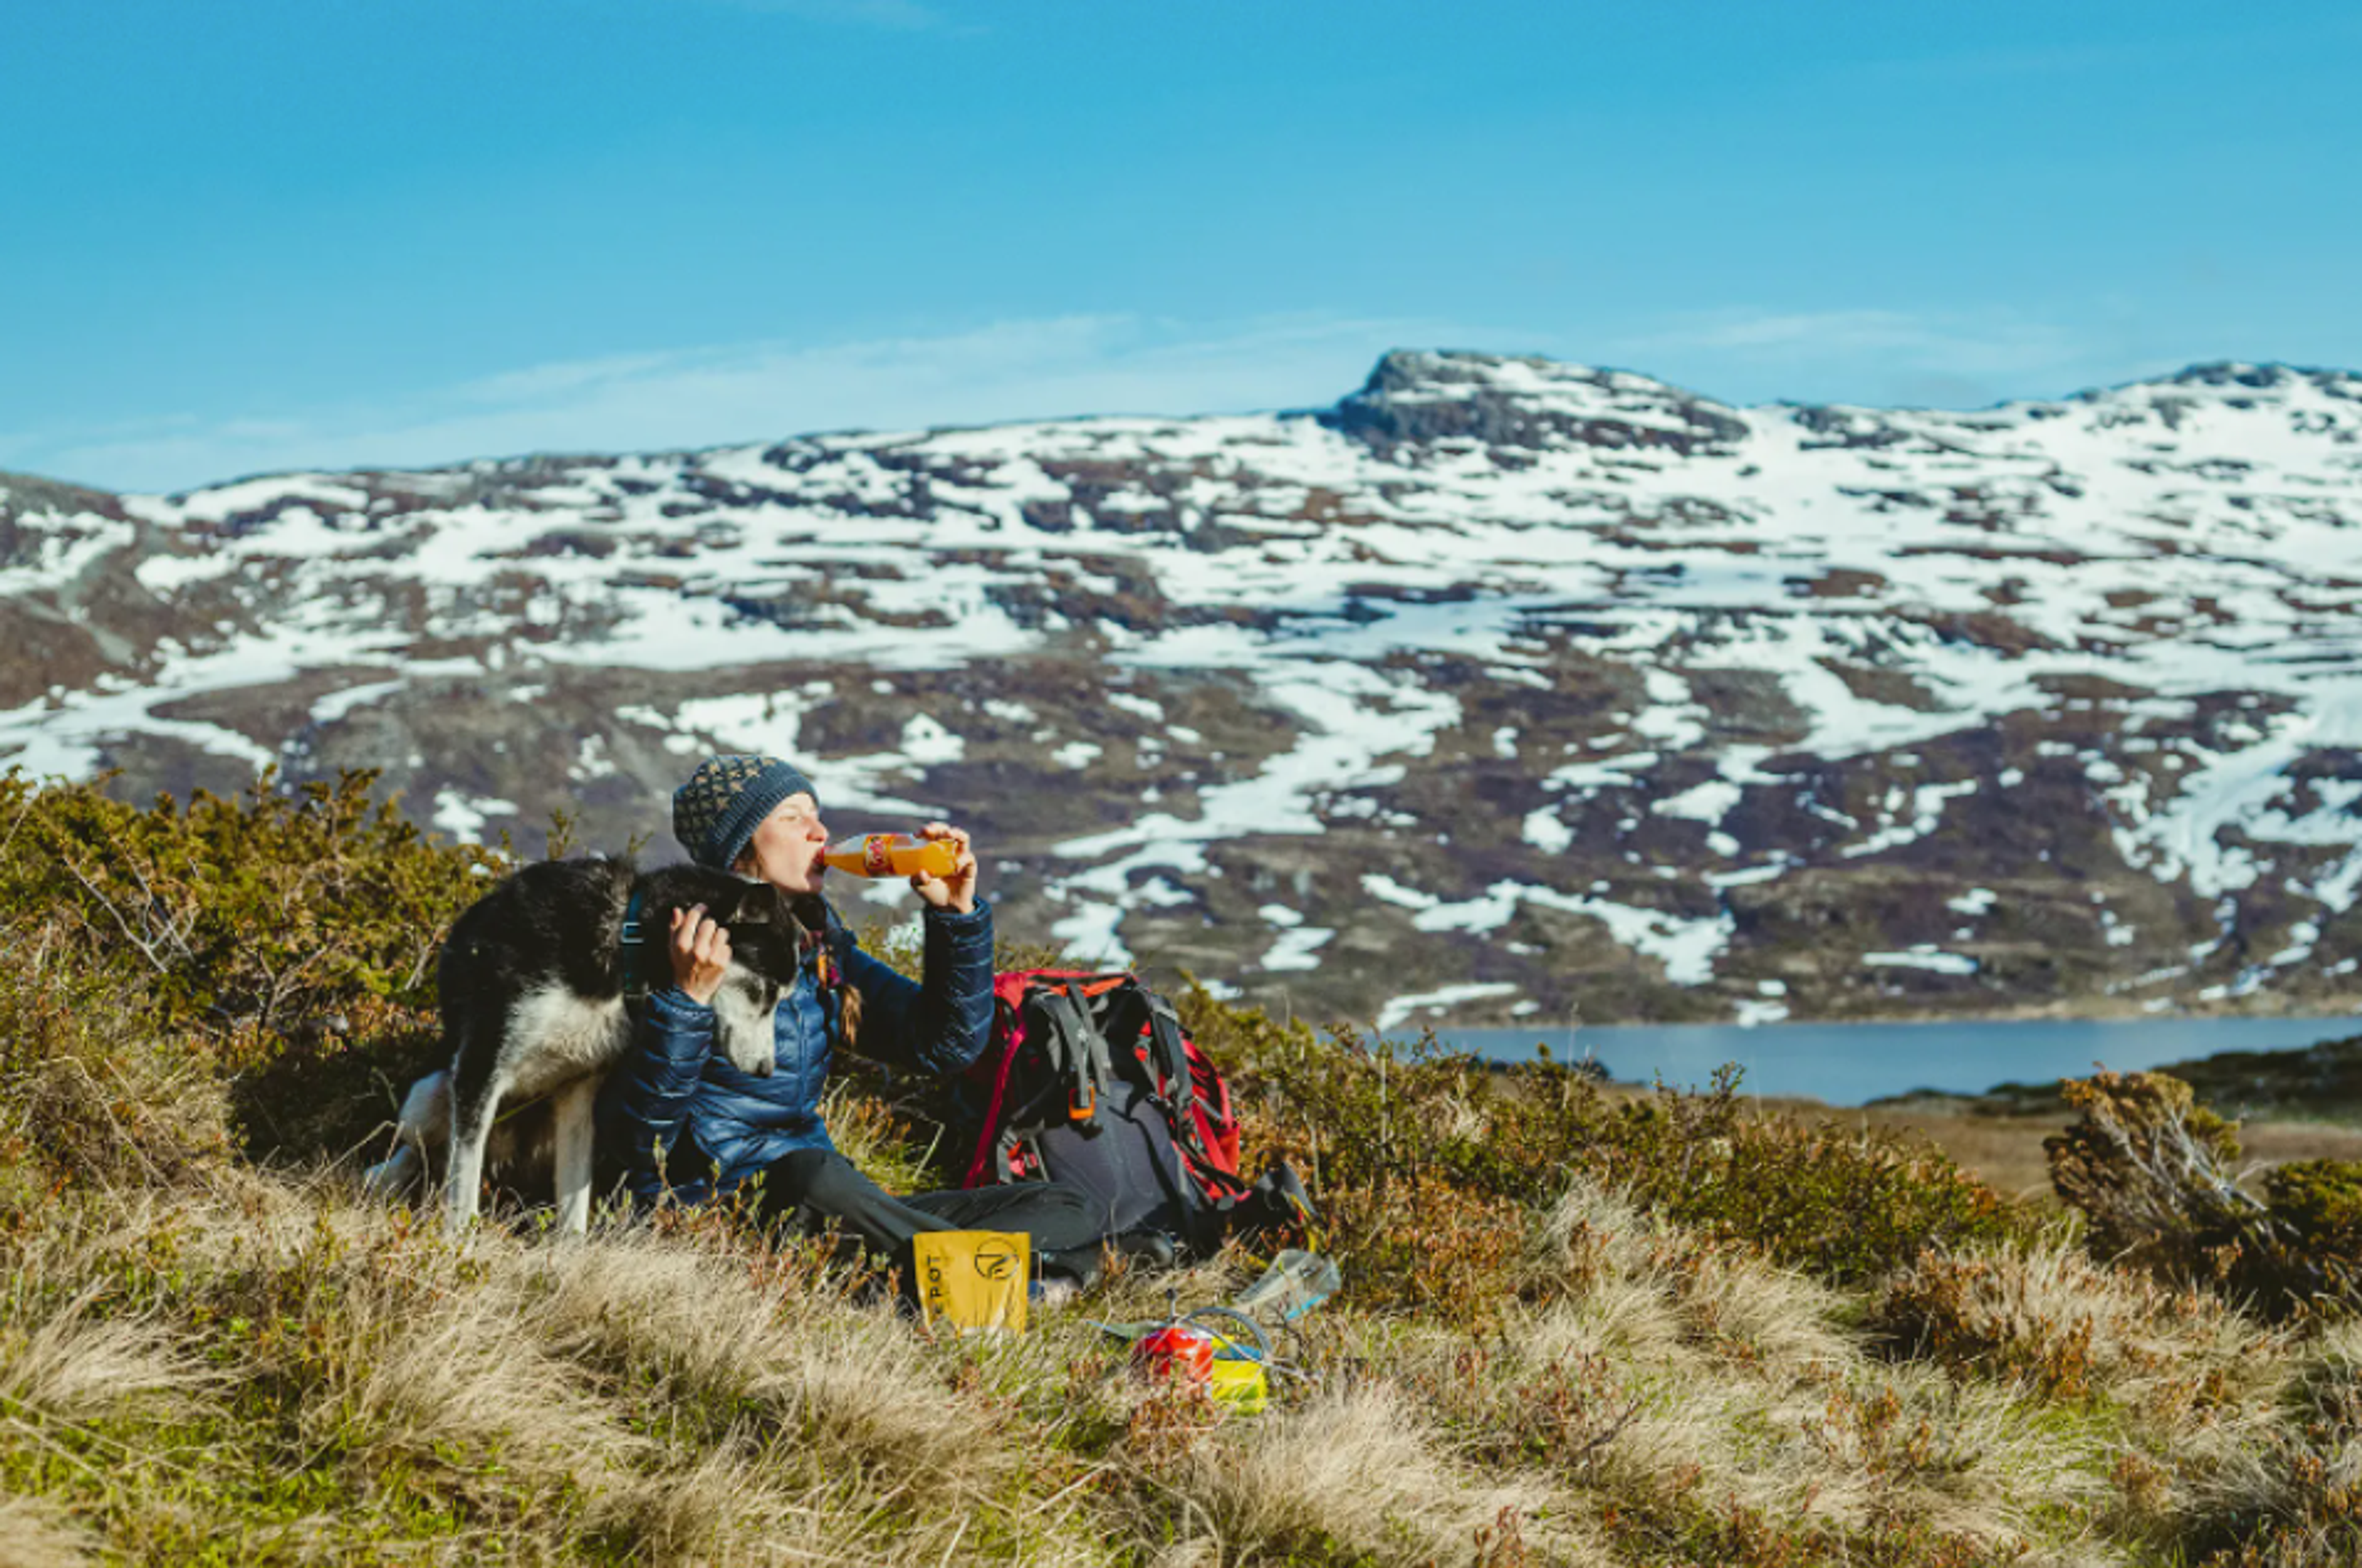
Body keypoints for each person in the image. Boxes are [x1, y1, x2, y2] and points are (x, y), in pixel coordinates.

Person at [593, 753, 1115, 1292]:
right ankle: (1017, 1280)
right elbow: (636, 1138)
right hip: (732, 1210)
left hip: (838, 1208)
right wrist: (686, 1002)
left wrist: (954, 917)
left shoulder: (819, 948)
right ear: (741, 845)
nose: (821, 832)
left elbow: (945, 1045)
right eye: (793, 818)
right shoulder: (680, 943)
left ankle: (939, 1280)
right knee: (815, 1177)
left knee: (1062, 1202)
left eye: (817, 814)